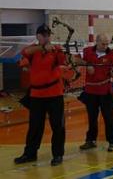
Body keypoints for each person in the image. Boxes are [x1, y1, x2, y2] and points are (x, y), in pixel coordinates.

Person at [14, 24, 67, 166]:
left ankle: (57, 154)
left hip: (54, 94)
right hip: (37, 95)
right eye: (43, 35)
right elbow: (24, 52)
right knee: (35, 126)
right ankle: (30, 153)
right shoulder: (34, 50)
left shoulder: (55, 50)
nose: (46, 37)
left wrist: (59, 51)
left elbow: (63, 61)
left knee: (57, 125)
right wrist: (42, 48)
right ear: (37, 36)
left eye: (48, 35)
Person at [79, 34, 113, 152]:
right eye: (103, 43)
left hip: (105, 91)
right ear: (96, 42)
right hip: (91, 91)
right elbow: (75, 59)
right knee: (92, 117)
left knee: (109, 117)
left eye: (107, 44)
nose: (105, 46)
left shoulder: (112, 54)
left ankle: (112, 141)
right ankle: (91, 140)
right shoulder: (87, 51)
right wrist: (88, 64)